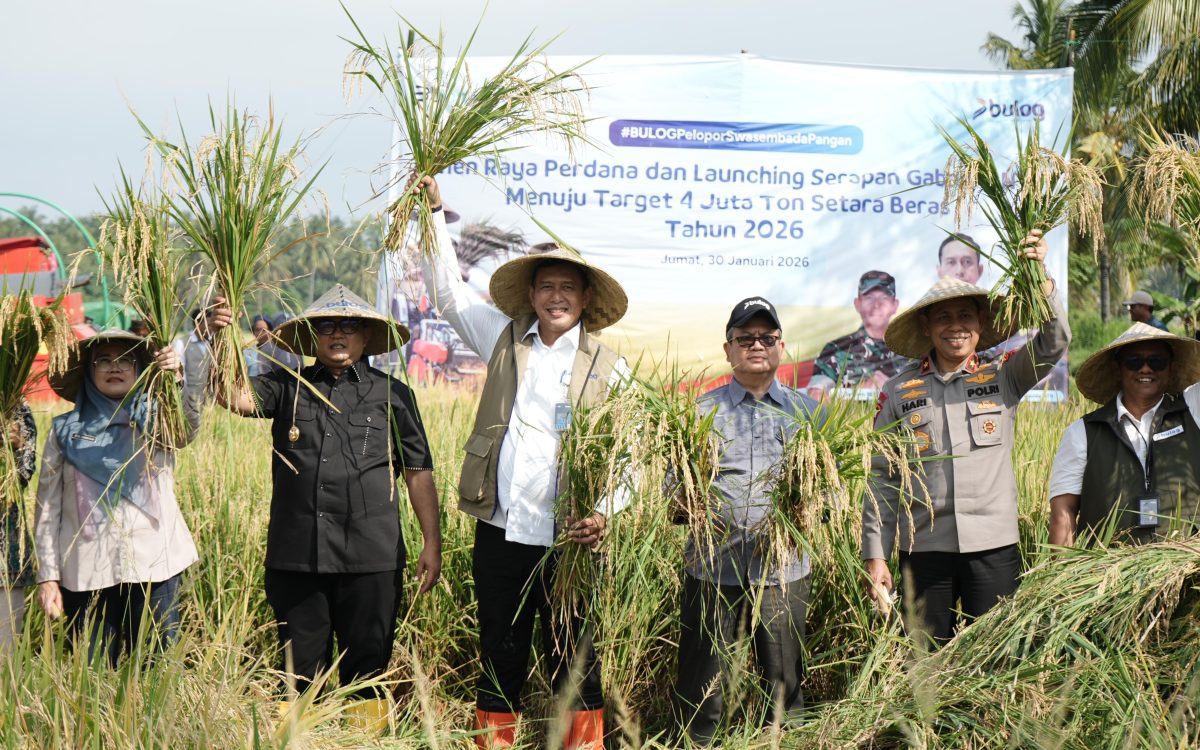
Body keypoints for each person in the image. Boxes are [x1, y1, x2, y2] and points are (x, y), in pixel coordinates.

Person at [416, 175, 627, 748]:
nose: (556, 297)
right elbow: (449, 295)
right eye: (546, 286)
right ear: (531, 295)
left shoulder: (612, 367)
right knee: (501, 654)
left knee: (574, 659)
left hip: (570, 540)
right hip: (502, 532)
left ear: (585, 298)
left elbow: (630, 456)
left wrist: (604, 512)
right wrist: (433, 215)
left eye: (567, 288)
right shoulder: (503, 338)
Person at [208, 284, 440, 734]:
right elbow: (233, 396)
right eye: (327, 325)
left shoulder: (393, 394)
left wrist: (432, 541)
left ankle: (365, 743)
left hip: (371, 558)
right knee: (298, 674)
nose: (338, 334)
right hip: (298, 557)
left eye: (349, 326)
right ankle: (302, 741)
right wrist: (221, 337)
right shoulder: (286, 386)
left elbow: (418, 472)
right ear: (312, 336)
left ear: (366, 336)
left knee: (367, 673)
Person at [862, 230, 1069, 646]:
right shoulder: (899, 391)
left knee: (994, 658)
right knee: (923, 660)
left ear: (980, 324)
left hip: (993, 548)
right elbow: (881, 479)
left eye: (965, 316)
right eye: (943, 317)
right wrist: (876, 554)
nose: (955, 327)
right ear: (926, 326)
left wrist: (1041, 277)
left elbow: (1055, 341)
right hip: (924, 550)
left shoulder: (1004, 375)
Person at [674, 297, 822, 745]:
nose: (757, 345)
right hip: (712, 569)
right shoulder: (699, 413)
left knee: (784, 685)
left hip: (783, 572)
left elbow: (826, 494)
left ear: (781, 347)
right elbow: (675, 493)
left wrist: (808, 509)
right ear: (728, 350)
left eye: (766, 338)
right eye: (745, 338)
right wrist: (691, 504)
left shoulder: (808, 412)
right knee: (702, 687)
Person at [34, 330, 204, 665]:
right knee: (91, 675)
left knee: (157, 670)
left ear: (140, 369)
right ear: (89, 371)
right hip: (85, 571)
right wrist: (48, 576)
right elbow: (47, 509)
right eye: (104, 361)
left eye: (126, 360)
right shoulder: (63, 431)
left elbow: (187, 429)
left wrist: (177, 378)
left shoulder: (158, 420)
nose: (115, 367)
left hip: (155, 565)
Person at [1049, 323, 1200, 547]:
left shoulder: (1193, 410)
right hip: (1109, 566)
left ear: (1171, 367)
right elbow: (1063, 512)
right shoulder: (1083, 433)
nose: (1145, 369)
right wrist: (1063, 567)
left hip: (1184, 565)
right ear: (1117, 368)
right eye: (1134, 361)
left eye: (1157, 361)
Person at [809, 271, 908, 397]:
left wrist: (893, 391)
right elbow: (815, 395)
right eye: (869, 298)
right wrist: (859, 392)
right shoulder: (836, 349)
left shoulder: (912, 351)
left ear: (895, 305)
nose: (876, 305)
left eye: (884, 298)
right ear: (857, 304)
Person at [1, 401, 37, 654]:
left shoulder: (15, 406)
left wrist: (15, 447)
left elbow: (24, 474)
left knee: (4, 659)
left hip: (5, 559)